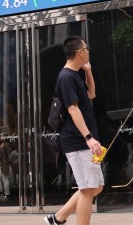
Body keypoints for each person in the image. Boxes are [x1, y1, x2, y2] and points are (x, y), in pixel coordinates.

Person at [41, 36, 103, 225]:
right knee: (87, 189)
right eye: (87, 48)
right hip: (77, 139)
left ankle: (57, 218)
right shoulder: (66, 76)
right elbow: (72, 109)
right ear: (80, 53)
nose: (88, 51)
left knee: (97, 186)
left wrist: (89, 71)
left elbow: (91, 94)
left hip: (83, 139)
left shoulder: (76, 74)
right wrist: (89, 137)